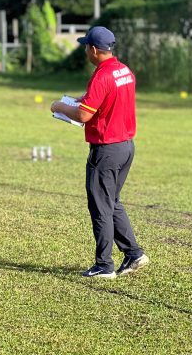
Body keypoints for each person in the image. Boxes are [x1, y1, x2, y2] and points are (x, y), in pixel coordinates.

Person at [51, 26, 149, 279]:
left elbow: (84, 115)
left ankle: (104, 265)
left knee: (100, 206)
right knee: (111, 202)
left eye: (86, 46)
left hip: (106, 150)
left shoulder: (101, 75)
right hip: (126, 147)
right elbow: (102, 98)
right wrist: (80, 99)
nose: (86, 50)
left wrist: (60, 106)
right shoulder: (123, 71)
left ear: (94, 49)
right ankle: (134, 254)